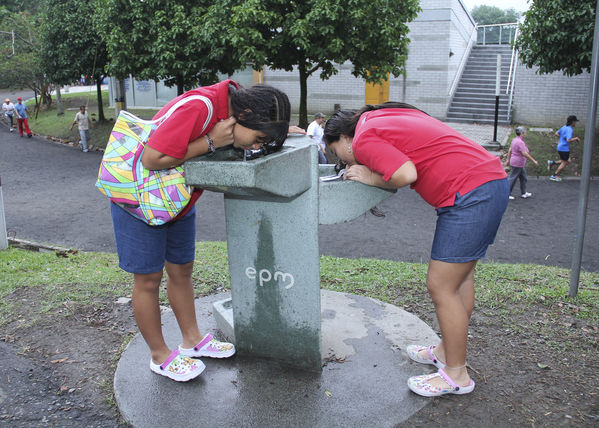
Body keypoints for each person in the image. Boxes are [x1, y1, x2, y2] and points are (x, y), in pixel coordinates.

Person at [110, 79, 291, 382]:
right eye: (259, 137)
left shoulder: (229, 111)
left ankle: (192, 340)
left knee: (181, 270)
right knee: (148, 280)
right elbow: (152, 158)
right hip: (140, 200)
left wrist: (278, 132)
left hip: (175, 199)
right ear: (246, 113)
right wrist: (211, 142)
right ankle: (160, 356)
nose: (256, 145)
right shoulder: (201, 107)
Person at [323, 102, 508, 397]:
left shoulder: (363, 137)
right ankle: (446, 353)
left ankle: (456, 374)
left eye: (337, 153)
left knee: (441, 285)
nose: (344, 161)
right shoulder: (378, 117)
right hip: (487, 182)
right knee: (460, 281)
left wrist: (369, 176)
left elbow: (405, 173)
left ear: (344, 138)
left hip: (470, 193)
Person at [503, 126, 538, 200]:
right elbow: (524, 153)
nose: (525, 133)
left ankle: (523, 193)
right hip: (518, 163)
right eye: (525, 132)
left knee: (523, 178)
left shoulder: (515, 140)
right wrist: (534, 160)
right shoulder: (520, 142)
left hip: (518, 163)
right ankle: (507, 194)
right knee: (512, 178)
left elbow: (510, 151)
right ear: (522, 133)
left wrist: (508, 160)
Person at [548, 115, 580, 182]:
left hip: (560, 147)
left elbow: (556, 133)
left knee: (566, 160)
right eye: (575, 122)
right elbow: (568, 140)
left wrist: (562, 137)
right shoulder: (570, 129)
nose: (575, 123)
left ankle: (552, 163)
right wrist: (576, 138)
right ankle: (554, 175)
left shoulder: (564, 127)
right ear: (572, 122)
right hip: (564, 149)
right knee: (565, 162)